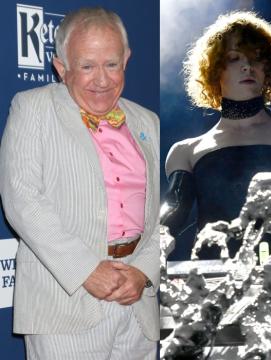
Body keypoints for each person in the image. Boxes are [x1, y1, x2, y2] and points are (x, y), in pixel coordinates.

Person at [0, 7, 160, 359]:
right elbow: (22, 199)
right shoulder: (32, 108)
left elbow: (159, 213)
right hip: (65, 300)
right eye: (87, 66)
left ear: (127, 59)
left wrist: (144, 272)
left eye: (112, 64)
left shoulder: (148, 121)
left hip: (137, 302)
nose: (101, 80)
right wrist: (86, 270)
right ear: (61, 67)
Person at [160, 11, 271, 258]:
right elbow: (168, 220)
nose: (247, 66)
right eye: (234, 58)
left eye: (256, 58)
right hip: (212, 284)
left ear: (268, 69)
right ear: (214, 71)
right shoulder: (186, 151)